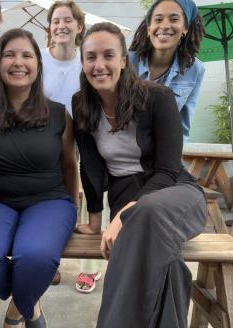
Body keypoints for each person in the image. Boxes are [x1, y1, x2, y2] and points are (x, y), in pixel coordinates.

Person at [72, 22, 207, 327]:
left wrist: (125, 214)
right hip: (126, 195)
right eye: (91, 57)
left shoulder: (158, 97)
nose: (99, 65)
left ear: (123, 60)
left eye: (108, 55)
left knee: (146, 217)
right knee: (167, 260)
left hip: (174, 191)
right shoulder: (81, 104)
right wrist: (96, 221)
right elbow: (89, 167)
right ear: (82, 63)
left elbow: (169, 168)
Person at [0, 28, 79, 328]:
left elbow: (69, 166)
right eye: (9, 54)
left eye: (27, 55)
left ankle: (19, 307)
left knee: (36, 257)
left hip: (49, 201)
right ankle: (29, 305)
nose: (18, 62)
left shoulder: (58, 114)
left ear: (38, 64)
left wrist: (73, 209)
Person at [41, 0, 84, 287]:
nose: (61, 26)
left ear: (79, 27)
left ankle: (79, 260)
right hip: (45, 138)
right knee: (45, 200)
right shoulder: (38, 58)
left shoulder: (87, 59)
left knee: (75, 196)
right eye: (56, 21)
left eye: (67, 20)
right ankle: (49, 259)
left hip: (83, 137)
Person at [129, 0, 205, 141]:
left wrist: (173, 159)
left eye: (174, 19)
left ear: (185, 28)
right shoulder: (126, 62)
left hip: (164, 151)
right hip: (125, 149)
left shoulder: (195, 69)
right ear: (149, 28)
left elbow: (182, 127)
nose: (164, 26)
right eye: (158, 19)